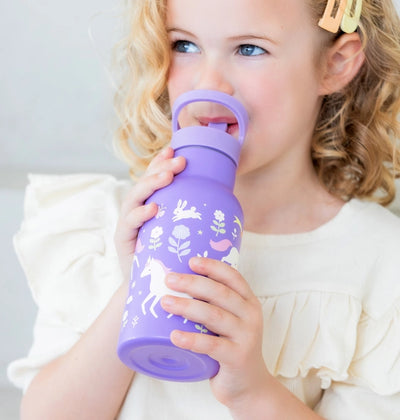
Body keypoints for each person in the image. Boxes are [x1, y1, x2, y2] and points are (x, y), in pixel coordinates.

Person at [8, 0, 400, 418]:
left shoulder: (375, 260)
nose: (208, 83)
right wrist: (136, 285)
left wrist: (253, 392)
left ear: (335, 64)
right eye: (185, 45)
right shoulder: (111, 224)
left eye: (250, 49)